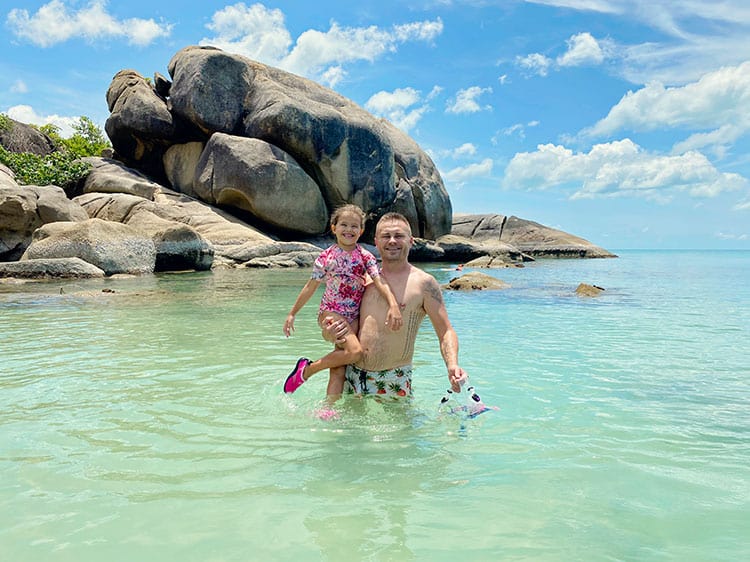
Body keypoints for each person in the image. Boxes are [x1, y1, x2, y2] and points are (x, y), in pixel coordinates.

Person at [323, 212, 467, 398]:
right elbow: (342, 321)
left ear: (411, 241)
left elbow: (445, 331)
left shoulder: (424, 283)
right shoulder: (361, 279)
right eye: (385, 236)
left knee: (399, 428)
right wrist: (328, 333)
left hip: (394, 380)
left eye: (399, 236)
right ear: (376, 241)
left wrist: (452, 364)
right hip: (352, 377)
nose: (392, 241)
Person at [282, 204, 403, 398]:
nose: (349, 230)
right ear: (334, 228)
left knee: (339, 367)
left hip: (354, 316)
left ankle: (328, 409)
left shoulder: (365, 257)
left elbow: (379, 281)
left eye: (354, 226)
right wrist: (292, 313)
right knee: (355, 352)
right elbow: (310, 286)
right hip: (330, 312)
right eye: (344, 225)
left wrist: (393, 304)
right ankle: (307, 371)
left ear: (361, 230)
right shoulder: (326, 257)